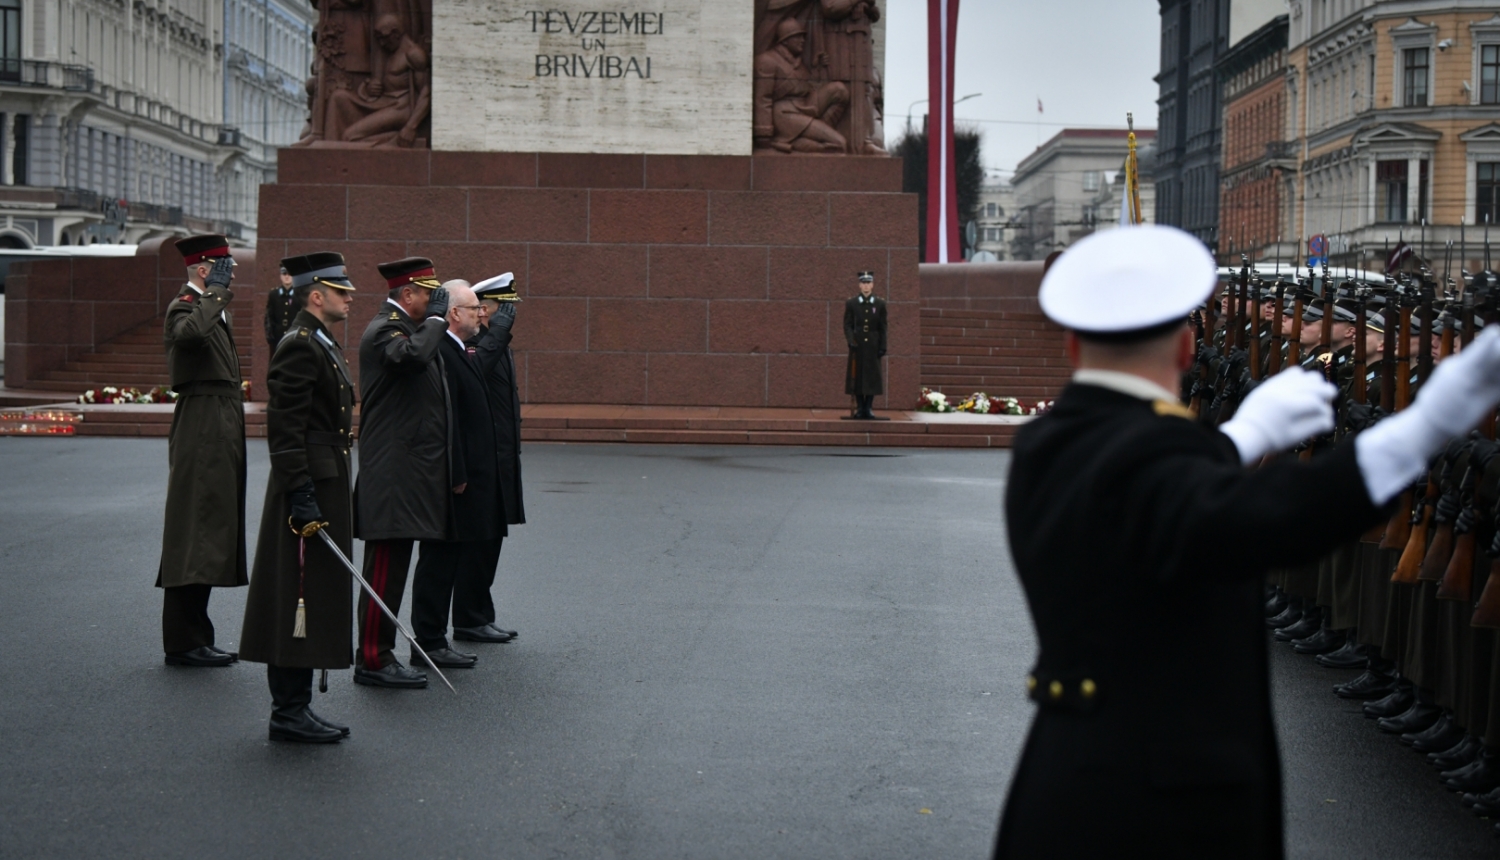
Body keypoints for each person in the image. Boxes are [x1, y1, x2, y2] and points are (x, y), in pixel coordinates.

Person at [992, 224, 1500, 859]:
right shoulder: (1150, 462)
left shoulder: (1049, 445)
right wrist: (1423, 428)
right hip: (1157, 808)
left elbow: (1152, 494)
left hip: (1070, 778)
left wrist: (1238, 439)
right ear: (1185, 347)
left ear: (1071, 344)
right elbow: (1263, 517)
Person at [239, 252, 357, 743]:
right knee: (297, 593)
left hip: (324, 478)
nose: (350, 298)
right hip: (307, 483)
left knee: (316, 593)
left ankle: (298, 704)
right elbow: (284, 430)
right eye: (340, 291)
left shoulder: (322, 342)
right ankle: (287, 710)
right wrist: (301, 493)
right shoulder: (301, 344)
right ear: (316, 295)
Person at [352, 257, 452, 689]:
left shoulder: (411, 329)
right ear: (407, 294)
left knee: (395, 568)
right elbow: (410, 359)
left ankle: (381, 653)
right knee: (384, 570)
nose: (437, 304)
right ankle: (373, 657)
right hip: (392, 474)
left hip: (408, 473)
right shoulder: (385, 332)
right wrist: (435, 320)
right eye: (430, 295)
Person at [158, 234, 247, 667]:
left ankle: (197, 634)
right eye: (225, 267)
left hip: (219, 419)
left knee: (210, 528)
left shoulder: (211, 305)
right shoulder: (186, 306)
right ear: (204, 269)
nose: (234, 274)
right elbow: (189, 337)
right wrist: (213, 292)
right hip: (201, 422)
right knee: (194, 528)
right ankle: (183, 640)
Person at [408, 280, 502, 669]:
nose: (481, 313)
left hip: (468, 473)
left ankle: (436, 637)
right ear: (453, 314)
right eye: (474, 307)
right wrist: (457, 471)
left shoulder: (458, 348)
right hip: (452, 477)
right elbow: (445, 421)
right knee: (439, 558)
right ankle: (429, 640)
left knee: (451, 555)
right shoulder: (442, 350)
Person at [454, 272, 526, 645]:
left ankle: (481, 613)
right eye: (501, 309)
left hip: (500, 457)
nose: (506, 317)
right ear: (483, 310)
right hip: (480, 459)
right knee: (477, 541)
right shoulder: (473, 344)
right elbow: (475, 372)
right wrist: (497, 331)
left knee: (492, 538)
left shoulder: (496, 342)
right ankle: (467, 617)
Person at [843, 270, 886, 420]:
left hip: (873, 345)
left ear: (872, 285)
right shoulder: (852, 303)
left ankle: (868, 407)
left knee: (872, 377)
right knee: (858, 377)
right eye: (863, 283)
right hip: (857, 345)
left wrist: (883, 346)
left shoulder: (880, 303)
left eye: (868, 283)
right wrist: (850, 340)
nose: (866, 286)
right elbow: (847, 325)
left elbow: (883, 327)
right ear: (859, 285)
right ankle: (860, 408)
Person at [263, 265, 303, 349]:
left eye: (289, 274)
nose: (287, 276)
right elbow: (269, 316)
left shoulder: (299, 295)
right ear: (280, 276)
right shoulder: (274, 295)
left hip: (294, 336)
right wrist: (270, 335)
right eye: (284, 274)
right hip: (277, 338)